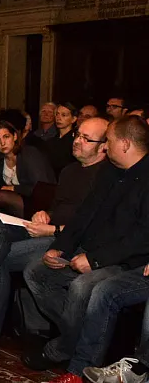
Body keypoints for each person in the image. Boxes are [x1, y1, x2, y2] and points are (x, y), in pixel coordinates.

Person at [0, 117, 109, 353]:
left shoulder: (107, 176)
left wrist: (53, 229)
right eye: (77, 135)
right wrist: (45, 214)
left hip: (71, 241)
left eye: (86, 138)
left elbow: (94, 225)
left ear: (104, 146)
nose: (77, 141)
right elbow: (59, 208)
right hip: (52, 231)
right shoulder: (70, 170)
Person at [22, 116, 149, 374]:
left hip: (124, 260)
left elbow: (141, 238)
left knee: (83, 287)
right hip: (93, 249)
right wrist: (61, 247)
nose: (105, 147)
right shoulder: (110, 170)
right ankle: (76, 341)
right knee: (36, 272)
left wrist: (95, 260)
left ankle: (71, 356)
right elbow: (85, 213)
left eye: (109, 141)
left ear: (125, 144)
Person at [0, 120, 56, 230]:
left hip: (42, 208)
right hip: (16, 208)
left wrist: (15, 188)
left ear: (15, 136)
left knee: (1, 196)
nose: (2, 143)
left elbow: (44, 189)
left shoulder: (29, 154)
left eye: (6, 137)